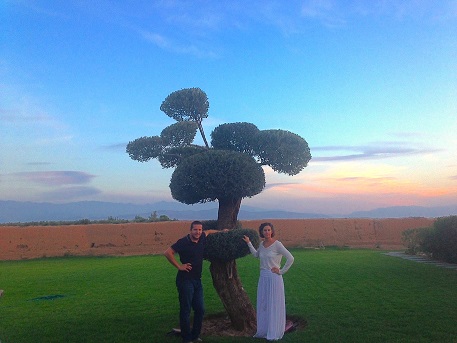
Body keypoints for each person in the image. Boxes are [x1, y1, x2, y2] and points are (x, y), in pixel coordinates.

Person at [164, 220, 222, 343]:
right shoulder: (183, 242)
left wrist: (222, 231)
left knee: (200, 309)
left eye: (200, 230)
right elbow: (168, 252)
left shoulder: (201, 238)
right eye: (195, 229)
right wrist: (179, 266)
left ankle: (195, 336)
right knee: (186, 309)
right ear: (190, 230)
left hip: (197, 280)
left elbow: (209, 232)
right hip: (185, 281)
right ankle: (186, 338)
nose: (198, 232)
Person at [242, 222, 294, 341]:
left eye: (269, 230)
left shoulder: (277, 245)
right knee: (263, 304)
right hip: (263, 277)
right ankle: (264, 329)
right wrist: (249, 243)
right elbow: (256, 255)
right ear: (262, 232)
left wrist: (281, 271)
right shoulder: (261, 244)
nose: (267, 232)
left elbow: (291, 258)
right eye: (264, 230)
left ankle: (274, 331)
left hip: (274, 278)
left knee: (273, 304)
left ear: (272, 231)